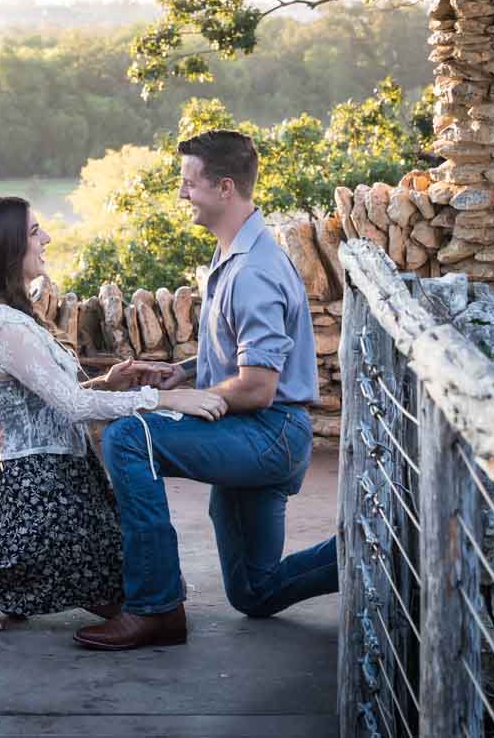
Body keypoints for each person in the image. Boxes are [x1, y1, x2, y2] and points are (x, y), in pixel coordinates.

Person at [76, 130, 339, 651]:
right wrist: (188, 371)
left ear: (223, 188)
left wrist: (186, 402)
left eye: (187, 184)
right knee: (254, 593)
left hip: (267, 433)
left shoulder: (255, 271)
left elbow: (260, 387)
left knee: (129, 437)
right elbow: (251, 356)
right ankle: (374, 551)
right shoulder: (240, 254)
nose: (180, 195)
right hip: (261, 432)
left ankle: (155, 608)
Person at [0, 196, 226, 632]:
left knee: (145, 590)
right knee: (121, 597)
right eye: (35, 232)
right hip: (34, 483)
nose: (47, 238)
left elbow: (60, 399)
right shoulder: (2, 327)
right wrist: (167, 399)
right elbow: (73, 408)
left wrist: (107, 383)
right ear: (5, 248)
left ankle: (17, 586)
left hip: (70, 473)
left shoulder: (17, 320)